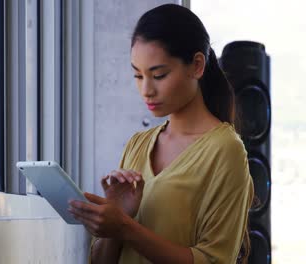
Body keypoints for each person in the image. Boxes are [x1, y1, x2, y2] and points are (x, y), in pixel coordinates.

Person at [68, 3, 254, 264]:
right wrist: (117, 219)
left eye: (159, 74)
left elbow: (213, 260)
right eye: (137, 75)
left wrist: (125, 227)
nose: (146, 90)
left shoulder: (225, 150)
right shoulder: (138, 144)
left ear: (197, 66)